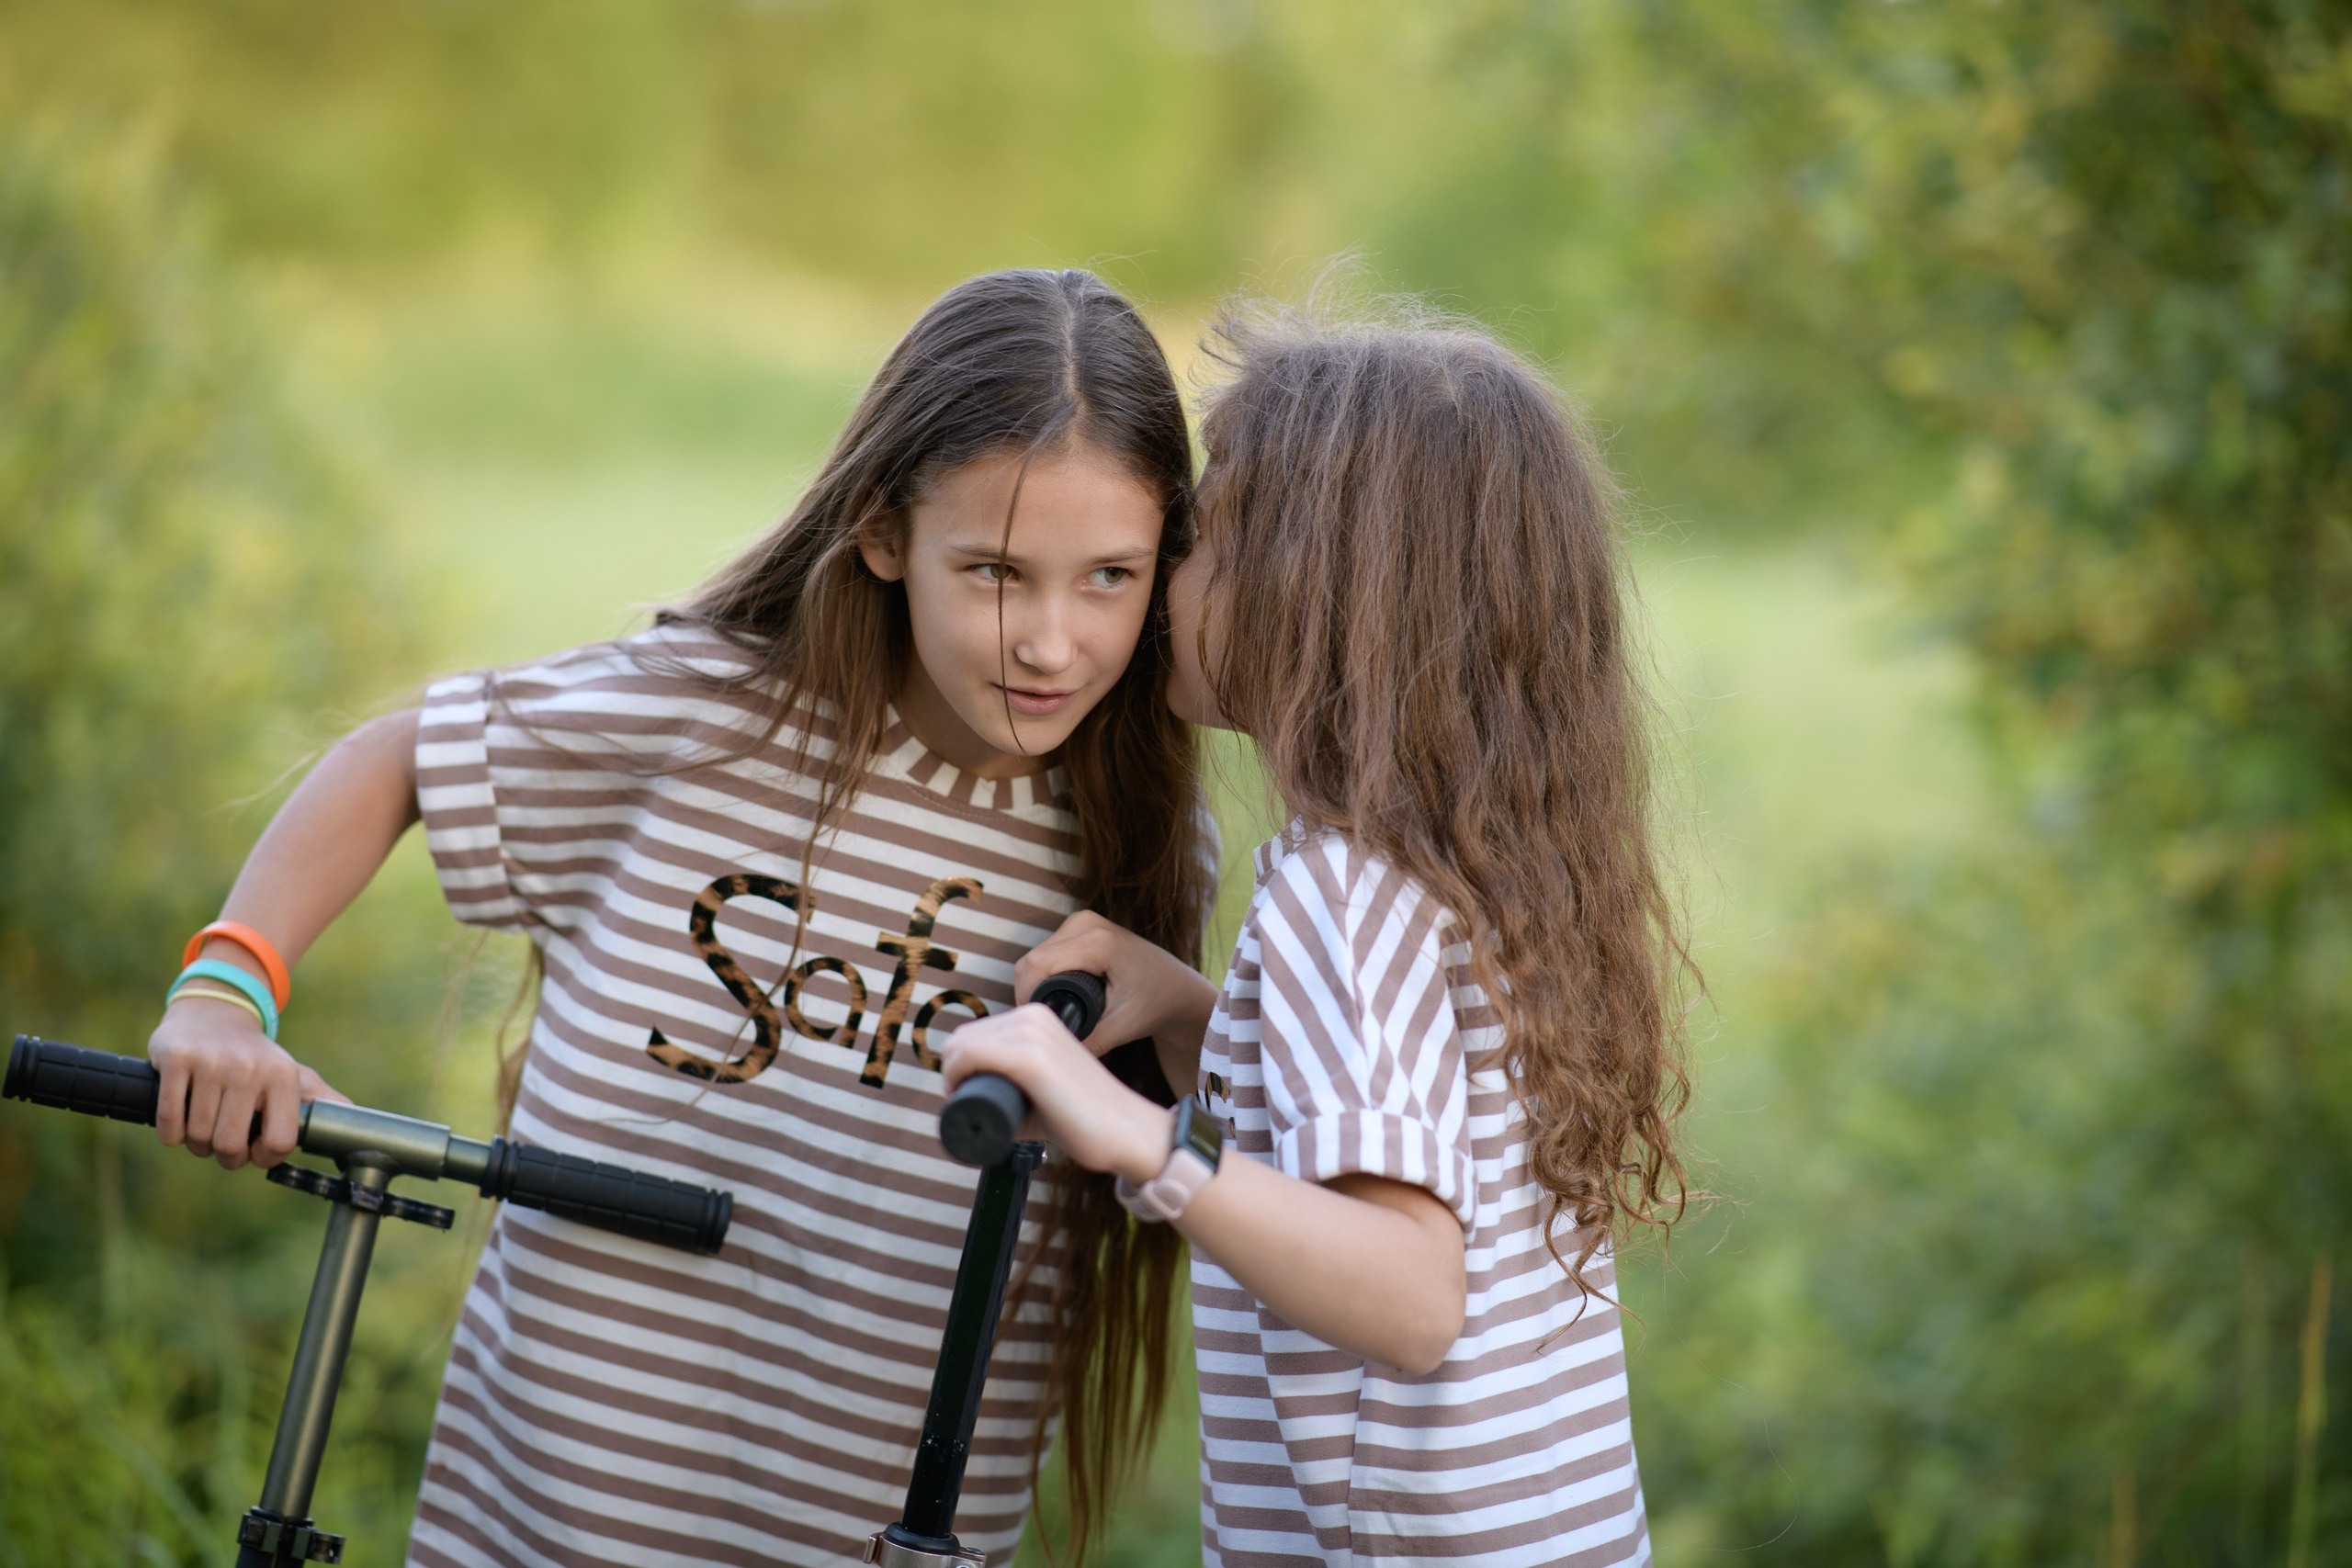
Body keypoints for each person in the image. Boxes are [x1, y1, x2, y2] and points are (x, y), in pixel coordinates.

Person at [143, 269, 1214, 1567]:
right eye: (995, 571)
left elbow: (1216, 1140)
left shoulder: (1139, 843)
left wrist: (1186, 1003)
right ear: (884, 533)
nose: (1053, 640)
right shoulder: (709, 720)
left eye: (1109, 576)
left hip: (881, 1518)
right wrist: (226, 991)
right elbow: (395, 761)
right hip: (561, 1495)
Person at [943, 304, 1692, 1567]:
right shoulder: (1470, 870)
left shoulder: (1335, 893)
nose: (1174, 575)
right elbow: (1370, 1150)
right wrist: (1193, 1017)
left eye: (1211, 538)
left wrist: (1138, 1136)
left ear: (1318, 597)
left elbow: (1407, 1296)